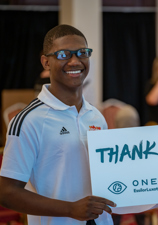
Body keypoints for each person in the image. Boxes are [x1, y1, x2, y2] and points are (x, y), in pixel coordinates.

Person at [0, 24, 116, 225]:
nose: (75, 61)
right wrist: (70, 209)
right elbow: (7, 192)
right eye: (63, 54)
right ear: (46, 62)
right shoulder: (28, 120)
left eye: (82, 53)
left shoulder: (96, 117)